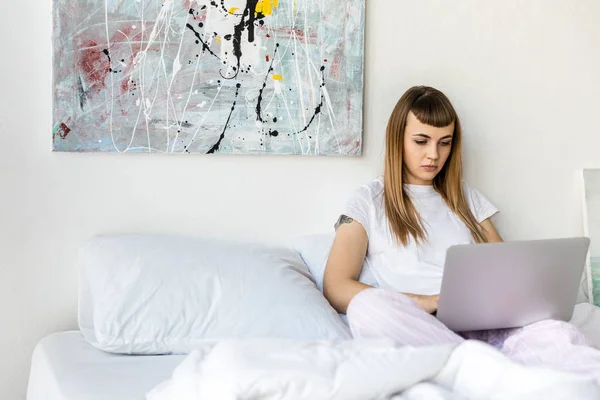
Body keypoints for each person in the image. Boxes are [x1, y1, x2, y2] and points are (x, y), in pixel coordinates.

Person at [323, 85, 600, 384]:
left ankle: (485, 364)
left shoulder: (465, 198)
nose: (434, 155)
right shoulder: (367, 201)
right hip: (424, 324)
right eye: (421, 141)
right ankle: (480, 365)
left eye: (445, 142)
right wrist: (424, 301)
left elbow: (507, 268)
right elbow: (336, 285)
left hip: (486, 323)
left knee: (558, 332)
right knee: (367, 309)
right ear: (397, 139)